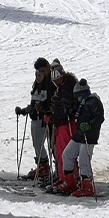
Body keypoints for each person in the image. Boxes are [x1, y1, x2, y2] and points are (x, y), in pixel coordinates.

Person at [55, 78, 105, 197]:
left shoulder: (94, 102)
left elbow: (99, 118)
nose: (77, 98)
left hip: (89, 136)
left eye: (77, 96)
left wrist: (89, 126)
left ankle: (87, 187)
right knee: (67, 154)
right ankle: (70, 181)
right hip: (79, 135)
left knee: (84, 161)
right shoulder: (83, 103)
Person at [15, 56, 55, 180]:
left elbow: (49, 102)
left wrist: (42, 108)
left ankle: (45, 167)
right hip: (35, 119)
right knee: (36, 143)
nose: (39, 76)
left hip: (44, 120)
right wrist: (24, 110)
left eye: (41, 73)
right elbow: (34, 103)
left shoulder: (50, 85)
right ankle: (42, 165)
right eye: (37, 73)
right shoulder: (37, 87)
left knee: (41, 143)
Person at [46, 59, 78, 193]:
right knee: (59, 153)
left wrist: (52, 117)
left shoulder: (66, 89)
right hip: (61, 124)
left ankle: (70, 179)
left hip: (66, 124)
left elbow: (63, 109)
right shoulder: (62, 89)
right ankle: (63, 177)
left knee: (65, 153)